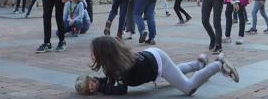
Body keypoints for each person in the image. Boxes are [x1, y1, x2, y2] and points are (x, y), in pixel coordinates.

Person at [74, 36, 239, 95]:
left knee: (189, 88)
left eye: (93, 51)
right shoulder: (112, 63)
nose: (91, 54)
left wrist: (100, 89)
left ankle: (218, 65)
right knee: (173, 73)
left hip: (158, 61)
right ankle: (199, 63)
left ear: (104, 53)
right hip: (153, 59)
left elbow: (120, 89)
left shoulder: (123, 67)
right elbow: (111, 79)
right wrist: (97, 81)